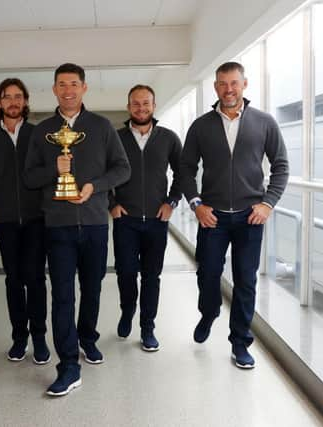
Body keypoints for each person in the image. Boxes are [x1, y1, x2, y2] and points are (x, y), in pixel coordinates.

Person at [25, 63, 130, 396]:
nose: (67, 89)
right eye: (61, 84)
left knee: (93, 288)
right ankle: (68, 365)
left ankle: (87, 337)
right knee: (63, 297)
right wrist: (55, 171)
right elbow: (29, 177)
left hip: (97, 222)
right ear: (54, 90)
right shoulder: (42, 131)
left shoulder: (101, 127)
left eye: (73, 83)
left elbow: (122, 168)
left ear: (84, 88)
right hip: (57, 226)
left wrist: (94, 187)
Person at [179, 61, 289, 369]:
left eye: (234, 83)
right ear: (216, 87)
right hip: (212, 216)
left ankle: (240, 342)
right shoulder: (201, 126)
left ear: (244, 84)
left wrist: (268, 203)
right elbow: (185, 169)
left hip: (249, 217)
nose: (229, 89)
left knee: (245, 280)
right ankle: (209, 312)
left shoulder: (264, 122)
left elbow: (281, 166)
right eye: (223, 84)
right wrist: (196, 203)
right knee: (207, 273)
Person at [0, 78, 50, 364]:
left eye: (18, 97)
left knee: (36, 278)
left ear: (25, 101)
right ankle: (20, 338)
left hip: (36, 219)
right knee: (14, 280)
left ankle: (39, 337)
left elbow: (50, 174)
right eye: (7, 97)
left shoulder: (39, 134)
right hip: (4, 221)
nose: (13, 102)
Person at [110, 84, 182, 352]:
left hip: (156, 221)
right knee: (126, 273)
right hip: (125, 220)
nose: (141, 108)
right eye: (136, 103)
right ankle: (127, 311)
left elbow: (182, 173)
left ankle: (147, 327)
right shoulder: (115, 138)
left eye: (146, 103)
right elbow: (101, 173)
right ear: (129, 107)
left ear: (154, 105)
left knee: (152, 276)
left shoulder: (169, 138)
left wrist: (171, 202)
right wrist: (111, 204)